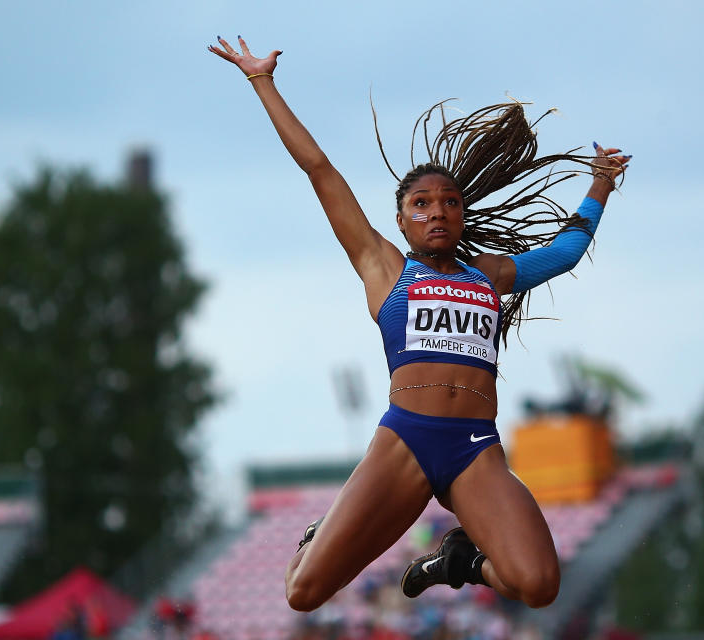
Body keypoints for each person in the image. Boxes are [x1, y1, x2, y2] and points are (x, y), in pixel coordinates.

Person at [208, 35, 629, 611]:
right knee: (302, 594)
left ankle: (463, 562)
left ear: (462, 215)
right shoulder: (384, 267)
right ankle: (317, 534)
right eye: (423, 205)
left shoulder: (490, 276)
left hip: (474, 448)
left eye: (450, 203)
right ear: (402, 221)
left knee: (538, 585)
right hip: (405, 439)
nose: (438, 212)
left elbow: (563, 254)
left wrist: (601, 182)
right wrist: (262, 82)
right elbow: (319, 169)